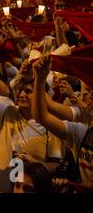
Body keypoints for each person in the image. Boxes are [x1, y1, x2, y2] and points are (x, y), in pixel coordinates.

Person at [0, 54, 62, 193]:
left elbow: (56, 165)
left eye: (28, 91)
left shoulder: (50, 126)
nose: (22, 94)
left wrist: (35, 163)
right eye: (21, 90)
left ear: (42, 96)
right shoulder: (7, 112)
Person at [32, 55, 92, 186]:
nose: (90, 100)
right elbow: (43, 117)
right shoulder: (83, 131)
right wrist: (39, 79)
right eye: (89, 93)